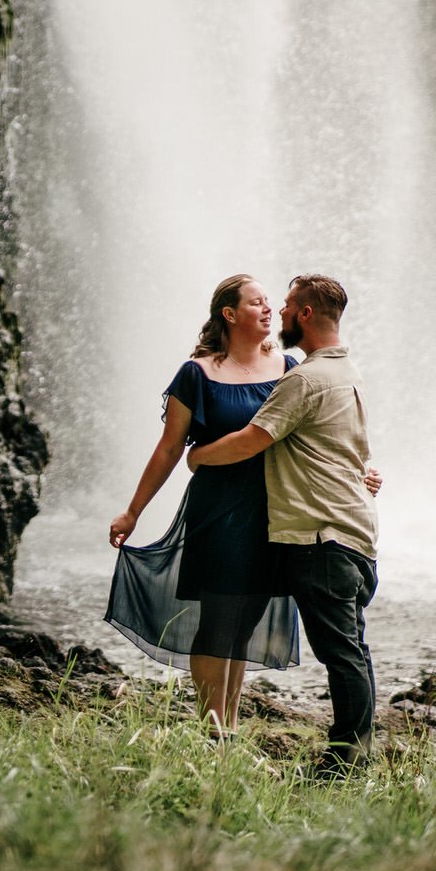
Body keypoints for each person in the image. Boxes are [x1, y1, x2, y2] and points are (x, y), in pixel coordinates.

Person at [185, 273, 378, 773]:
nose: (279, 314)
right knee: (350, 650)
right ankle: (350, 756)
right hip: (353, 530)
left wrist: (199, 457)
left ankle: (348, 764)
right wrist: (364, 474)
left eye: (286, 306)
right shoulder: (346, 371)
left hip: (322, 536)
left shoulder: (303, 376)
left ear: (306, 315)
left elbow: (253, 438)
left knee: (342, 655)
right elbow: (345, 445)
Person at [105, 275, 311, 726]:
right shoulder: (196, 373)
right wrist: (133, 511)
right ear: (229, 314)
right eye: (257, 302)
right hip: (218, 511)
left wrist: (360, 472)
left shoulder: (289, 367)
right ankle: (210, 725)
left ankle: (229, 728)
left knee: (246, 621)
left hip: (273, 511)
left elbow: (316, 435)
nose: (268, 309)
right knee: (219, 620)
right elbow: (169, 448)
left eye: (269, 302)